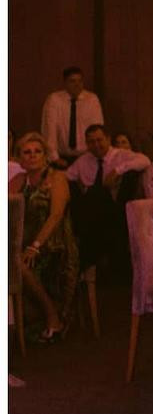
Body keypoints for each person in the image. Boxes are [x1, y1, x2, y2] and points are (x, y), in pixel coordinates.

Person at [9, 132, 79, 341]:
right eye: (27, 152)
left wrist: (35, 246)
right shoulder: (18, 179)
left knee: (17, 263)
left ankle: (52, 316)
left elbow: (56, 216)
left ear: (45, 155)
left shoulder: (56, 178)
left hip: (55, 243)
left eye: (37, 152)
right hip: (25, 240)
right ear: (19, 158)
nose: (32, 156)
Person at [65, 124, 150, 275]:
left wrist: (118, 170)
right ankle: (88, 269)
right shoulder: (84, 160)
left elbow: (145, 160)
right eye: (91, 142)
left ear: (108, 139)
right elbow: (67, 176)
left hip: (116, 209)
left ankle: (93, 268)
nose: (96, 145)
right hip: (91, 213)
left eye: (99, 140)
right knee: (85, 198)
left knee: (98, 199)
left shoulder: (121, 155)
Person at [40, 66, 104, 164]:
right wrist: (54, 158)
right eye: (72, 81)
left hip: (87, 157)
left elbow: (98, 129)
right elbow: (50, 130)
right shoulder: (54, 100)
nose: (77, 85)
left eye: (80, 81)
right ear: (65, 83)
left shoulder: (91, 99)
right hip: (62, 157)